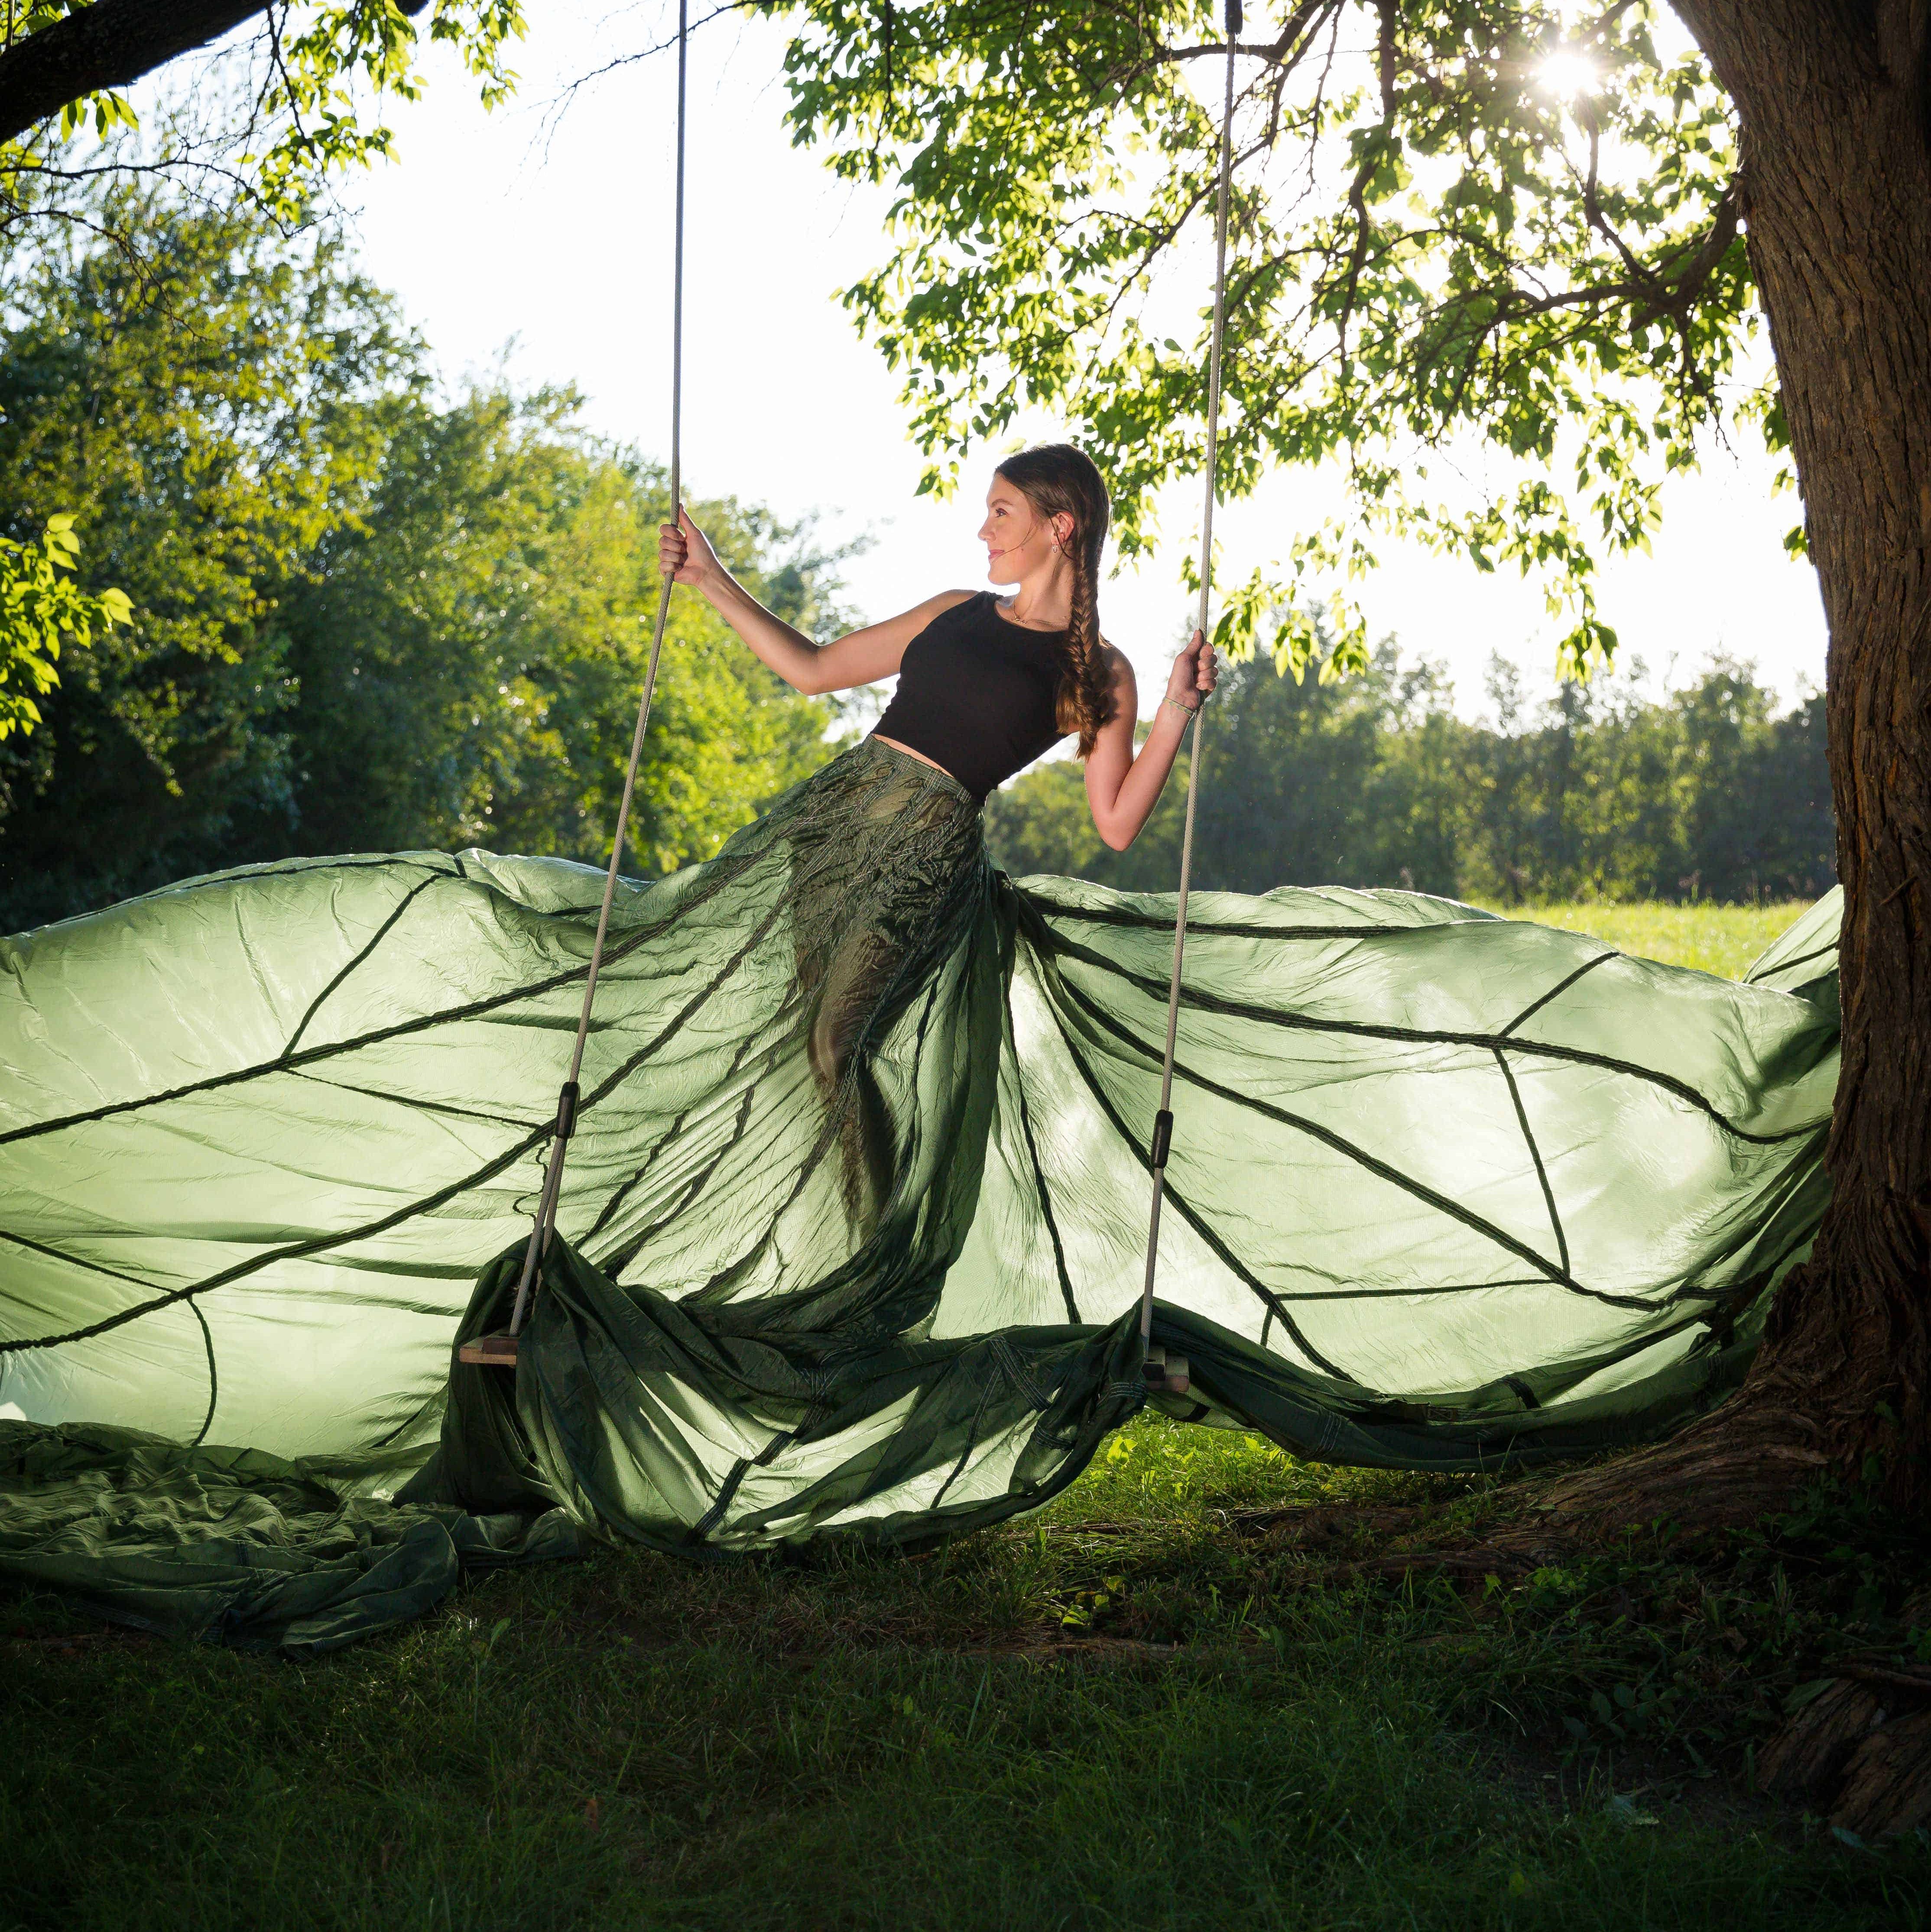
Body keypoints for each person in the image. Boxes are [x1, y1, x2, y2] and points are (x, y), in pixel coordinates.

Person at [657, 442, 1216, 1223]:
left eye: (1000, 513)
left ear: (1060, 527)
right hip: (831, 831)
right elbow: (814, 669)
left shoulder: (1095, 670)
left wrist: (1176, 712)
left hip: (925, 857)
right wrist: (708, 578)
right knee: (798, 1051)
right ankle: (830, 1250)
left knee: (834, 1044)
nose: (982, 531)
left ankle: (873, 1274)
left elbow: (1115, 824)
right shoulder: (954, 609)